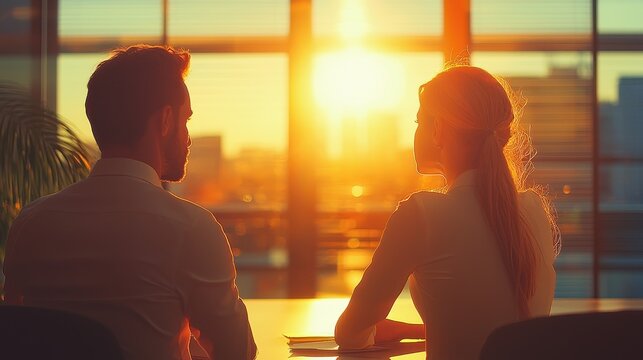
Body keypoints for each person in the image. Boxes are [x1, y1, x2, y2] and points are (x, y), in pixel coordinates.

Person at [3, 45, 257, 360]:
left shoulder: (31, 222)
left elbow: (19, 333)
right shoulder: (191, 228)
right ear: (165, 120)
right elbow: (238, 352)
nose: (188, 137)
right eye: (185, 120)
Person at [334, 65, 559, 360]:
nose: (415, 131)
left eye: (419, 121)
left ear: (438, 129)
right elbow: (493, 324)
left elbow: (348, 334)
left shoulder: (421, 215)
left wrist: (376, 331)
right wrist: (418, 330)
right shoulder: (533, 210)